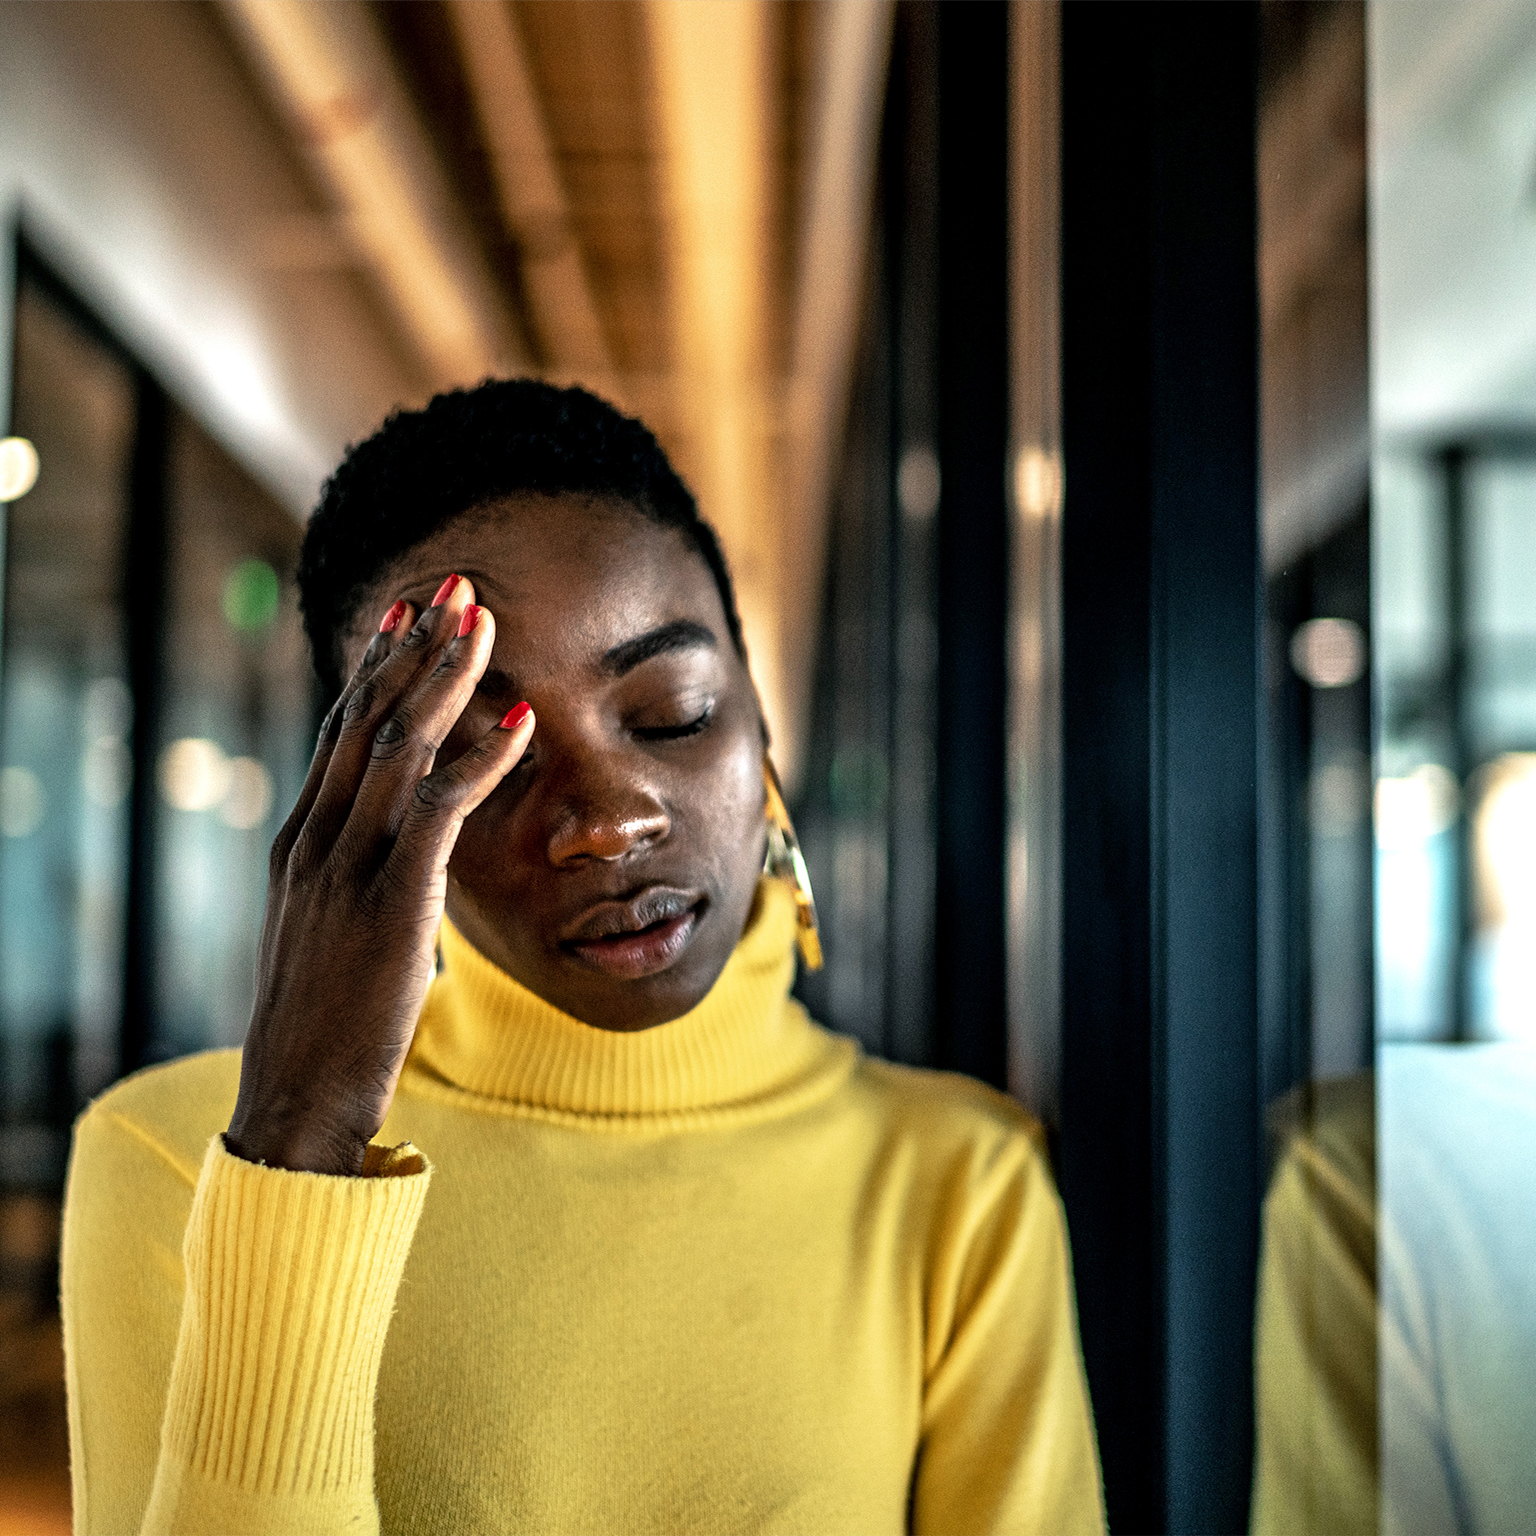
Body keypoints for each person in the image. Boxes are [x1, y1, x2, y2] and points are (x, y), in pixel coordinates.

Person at [60, 381, 1105, 1535]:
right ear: (375, 803)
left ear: (762, 726)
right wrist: (300, 1144)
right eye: (486, 758)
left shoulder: (956, 1184)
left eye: (672, 710)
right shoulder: (175, 1158)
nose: (609, 820)